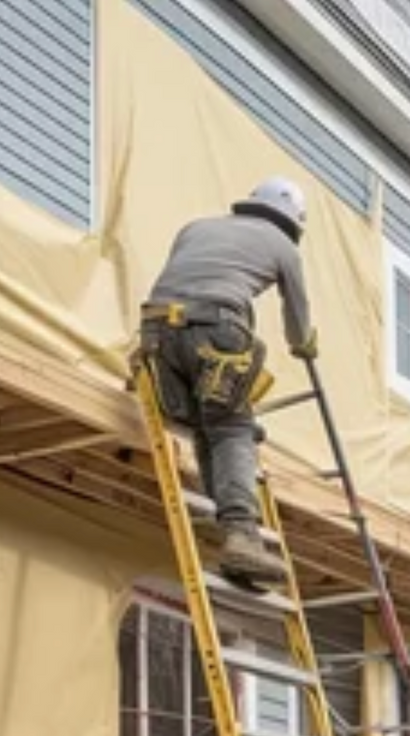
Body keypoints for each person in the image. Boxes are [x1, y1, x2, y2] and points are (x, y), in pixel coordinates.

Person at [137, 177, 317, 591]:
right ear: (293, 221)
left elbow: (179, 280)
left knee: (206, 421)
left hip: (157, 333)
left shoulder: (196, 228)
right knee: (232, 427)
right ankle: (241, 533)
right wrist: (304, 346)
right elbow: (298, 319)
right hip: (217, 330)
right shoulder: (284, 246)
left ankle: (235, 541)